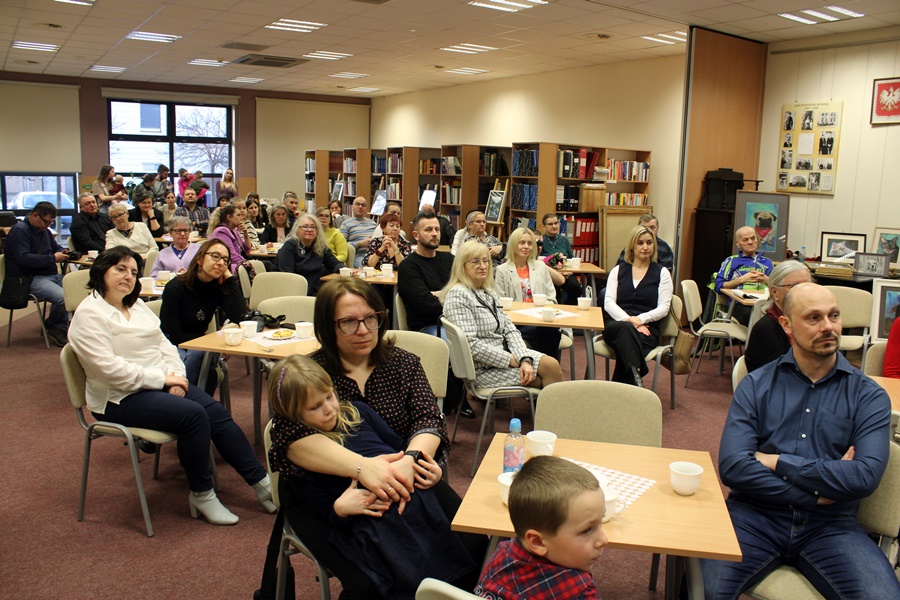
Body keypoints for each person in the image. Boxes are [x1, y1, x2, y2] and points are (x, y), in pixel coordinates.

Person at [257, 276, 485, 600]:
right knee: (370, 583)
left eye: (371, 318)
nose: (363, 330)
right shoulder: (309, 373)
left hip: (403, 473)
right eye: (349, 322)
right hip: (323, 492)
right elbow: (286, 435)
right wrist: (364, 469)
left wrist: (413, 460)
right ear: (327, 325)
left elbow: (429, 420)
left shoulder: (404, 364)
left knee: (474, 539)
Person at [702, 283, 900, 599]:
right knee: (702, 590)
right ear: (786, 324)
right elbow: (734, 467)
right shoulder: (757, 385)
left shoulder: (869, 396)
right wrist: (818, 493)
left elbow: (863, 477)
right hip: (754, 516)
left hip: (832, 525)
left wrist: (776, 461)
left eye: (834, 316)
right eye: (814, 318)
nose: (828, 327)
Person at [68, 245, 273, 526]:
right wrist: (162, 379)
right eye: (120, 269)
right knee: (193, 416)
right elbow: (109, 370)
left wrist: (177, 375)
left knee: (216, 412)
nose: (128, 277)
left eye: (133, 272)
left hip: (160, 383)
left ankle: (262, 482)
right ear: (101, 270)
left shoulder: (135, 304)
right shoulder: (88, 314)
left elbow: (164, 343)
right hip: (118, 398)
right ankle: (202, 494)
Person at [267, 354, 477, 599]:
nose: (329, 409)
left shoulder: (358, 412)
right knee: (390, 580)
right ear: (291, 414)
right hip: (374, 522)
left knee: (457, 555)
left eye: (329, 396)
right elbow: (322, 505)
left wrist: (430, 469)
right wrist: (339, 510)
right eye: (315, 407)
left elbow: (400, 447)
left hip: (414, 504)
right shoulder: (302, 452)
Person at [474, 456, 607, 600]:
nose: (603, 540)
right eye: (586, 530)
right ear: (537, 542)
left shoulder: (501, 553)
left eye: (602, 521)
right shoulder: (579, 589)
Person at [442, 241, 564, 389]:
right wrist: (511, 360)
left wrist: (524, 358)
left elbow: (509, 328)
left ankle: (552, 411)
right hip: (482, 369)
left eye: (486, 260)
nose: (483, 266)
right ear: (462, 266)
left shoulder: (487, 291)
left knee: (551, 365)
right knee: (539, 379)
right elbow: (470, 346)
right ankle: (551, 412)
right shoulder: (458, 295)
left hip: (505, 355)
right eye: (475, 262)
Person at [397, 210, 472, 418]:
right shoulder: (408, 267)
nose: (434, 234)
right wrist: (449, 295)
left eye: (437, 229)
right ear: (416, 235)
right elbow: (426, 305)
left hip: (456, 321)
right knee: (457, 343)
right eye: (428, 230)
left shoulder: (449, 260)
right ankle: (450, 403)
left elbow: (466, 290)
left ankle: (470, 394)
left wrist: (441, 294)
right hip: (427, 326)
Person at [160, 239, 247, 394]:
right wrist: (209, 341)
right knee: (206, 368)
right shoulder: (175, 288)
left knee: (202, 354)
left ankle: (186, 400)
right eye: (215, 256)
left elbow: (239, 316)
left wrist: (230, 279)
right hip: (174, 345)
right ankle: (194, 401)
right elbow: (174, 335)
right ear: (199, 259)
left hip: (201, 347)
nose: (221, 263)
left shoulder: (217, 288)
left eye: (225, 260)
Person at [603, 225, 673, 387]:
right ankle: (636, 380)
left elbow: (664, 307)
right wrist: (631, 321)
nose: (645, 247)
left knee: (625, 344)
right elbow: (608, 303)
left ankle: (633, 378)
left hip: (647, 329)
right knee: (625, 330)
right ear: (632, 246)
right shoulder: (618, 270)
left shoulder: (662, 273)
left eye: (649, 242)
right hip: (615, 326)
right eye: (640, 243)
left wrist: (641, 319)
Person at [3, 201, 70, 346]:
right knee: (64, 298)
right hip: (30, 278)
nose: (48, 226)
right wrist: (53, 258)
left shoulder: (43, 230)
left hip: (50, 276)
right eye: (47, 222)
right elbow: (24, 259)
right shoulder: (20, 231)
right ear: (34, 215)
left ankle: (56, 324)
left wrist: (62, 251)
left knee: (77, 291)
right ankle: (55, 326)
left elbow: (55, 247)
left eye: (51, 223)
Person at [495, 227, 563, 359]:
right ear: (513, 245)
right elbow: (499, 302)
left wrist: (541, 309)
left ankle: (543, 368)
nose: (526, 247)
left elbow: (552, 298)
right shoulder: (502, 270)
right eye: (522, 243)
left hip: (539, 319)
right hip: (516, 323)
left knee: (549, 331)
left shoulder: (541, 267)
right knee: (549, 334)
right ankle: (548, 369)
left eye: (530, 243)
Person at [744, 260, 812, 372]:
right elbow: (782, 378)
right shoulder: (767, 330)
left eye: (808, 286)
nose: (804, 292)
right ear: (775, 292)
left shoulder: (809, 322)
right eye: (794, 286)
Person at [713, 225, 774, 326]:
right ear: (738, 244)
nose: (750, 242)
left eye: (753, 238)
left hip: (763, 304)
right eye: (745, 240)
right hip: (740, 305)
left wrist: (766, 280)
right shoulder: (731, 261)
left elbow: (777, 287)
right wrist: (741, 279)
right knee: (754, 318)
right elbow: (718, 287)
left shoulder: (767, 262)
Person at [274, 213, 342, 296]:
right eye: (305, 226)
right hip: (292, 291)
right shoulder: (289, 246)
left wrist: (346, 270)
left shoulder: (320, 246)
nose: (309, 229)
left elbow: (334, 264)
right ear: (297, 230)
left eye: (313, 227)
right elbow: (287, 276)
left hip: (313, 290)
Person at [539, 212, 583, 305]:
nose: (554, 226)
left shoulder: (564, 240)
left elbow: (572, 260)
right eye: (550, 224)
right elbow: (538, 260)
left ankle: (570, 309)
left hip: (566, 273)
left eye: (556, 223)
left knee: (575, 287)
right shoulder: (540, 240)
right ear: (544, 227)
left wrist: (570, 271)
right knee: (554, 289)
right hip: (549, 274)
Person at [207, 204, 251, 274]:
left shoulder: (234, 230)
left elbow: (247, 250)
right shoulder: (221, 231)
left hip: (240, 263)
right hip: (229, 266)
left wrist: (245, 233)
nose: (241, 218)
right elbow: (231, 256)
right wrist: (248, 263)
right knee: (266, 264)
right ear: (229, 217)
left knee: (265, 264)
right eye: (238, 215)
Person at [340, 196, 378, 268]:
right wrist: (360, 244)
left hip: (374, 254)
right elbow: (342, 245)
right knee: (364, 267)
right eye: (357, 204)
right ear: (352, 207)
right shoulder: (346, 224)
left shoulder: (373, 223)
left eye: (363, 205)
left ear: (366, 209)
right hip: (359, 255)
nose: (360, 207)